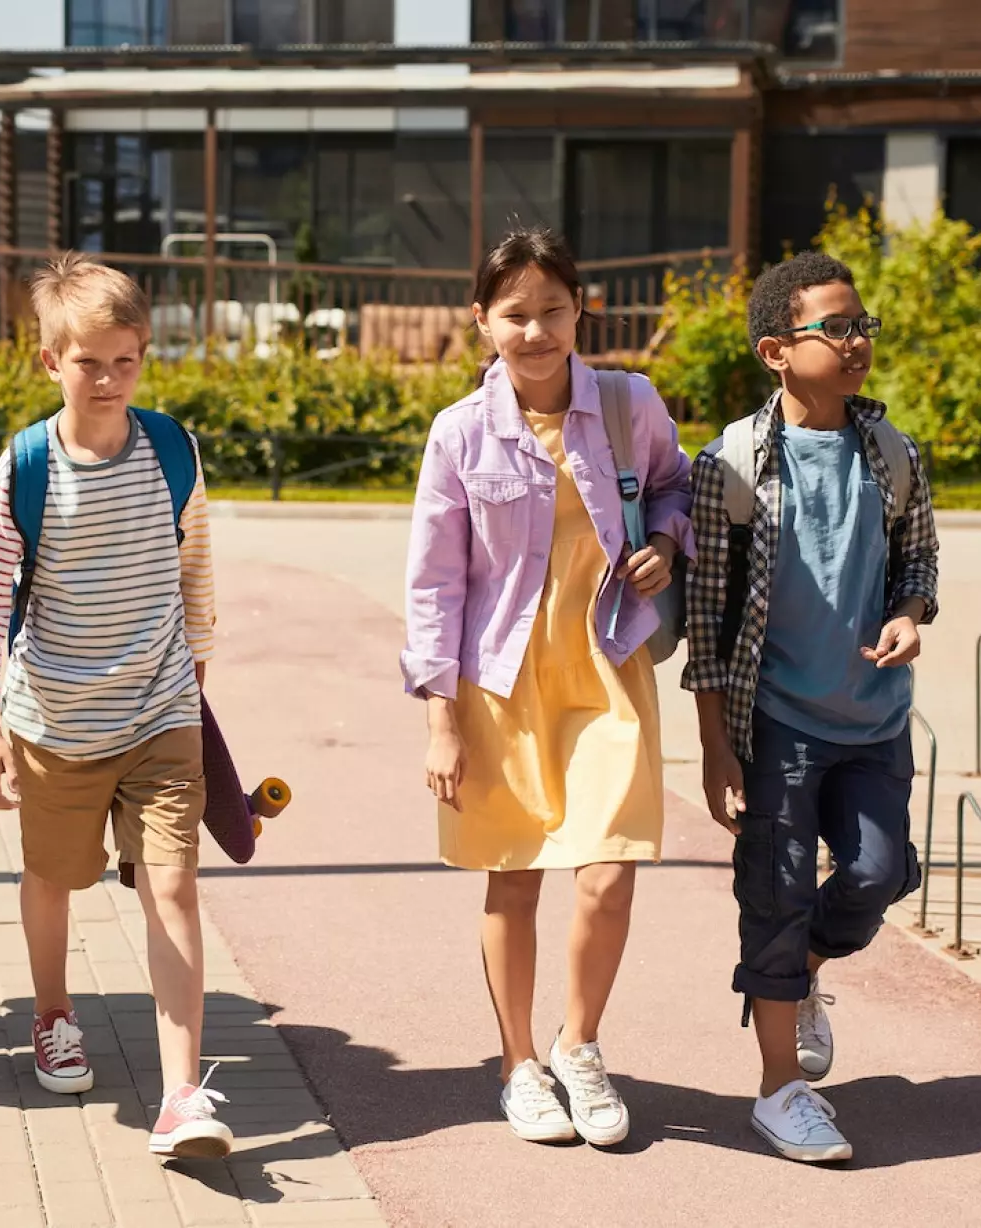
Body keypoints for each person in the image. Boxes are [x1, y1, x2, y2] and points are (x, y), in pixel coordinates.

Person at [401, 227, 694, 1147]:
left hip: (607, 667)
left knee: (609, 873)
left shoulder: (625, 403)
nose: (536, 330)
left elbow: (678, 485)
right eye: (515, 314)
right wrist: (440, 721)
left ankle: (580, 1044)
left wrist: (665, 544)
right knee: (515, 881)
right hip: (499, 686)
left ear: (580, 310)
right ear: (483, 320)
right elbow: (433, 584)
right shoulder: (458, 433)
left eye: (553, 311)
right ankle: (517, 1065)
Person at [0, 253, 230, 1159]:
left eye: (126, 360)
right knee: (54, 879)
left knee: (174, 886)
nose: (109, 380)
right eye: (89, 363)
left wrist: (196, 668)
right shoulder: (25, 467)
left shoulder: (171, 448)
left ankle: (183, 1094)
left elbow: (192, 562)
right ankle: (52, 1012)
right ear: (50, 362)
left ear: (145, 354)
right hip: (56, 725)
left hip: (160, 713)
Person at [683, 251, 937, 1164]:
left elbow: (918, 564)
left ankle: (808, 977)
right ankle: (778, 1089)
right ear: (775, 351)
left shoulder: (895, 452)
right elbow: (706, 618)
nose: (857, 337)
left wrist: (909, 615)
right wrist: (716, 747)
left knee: (877, 876)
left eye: (862, 321)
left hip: (874, 721)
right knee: (776, 895)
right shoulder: (733, 464)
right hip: (778, 724)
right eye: (835, 326)